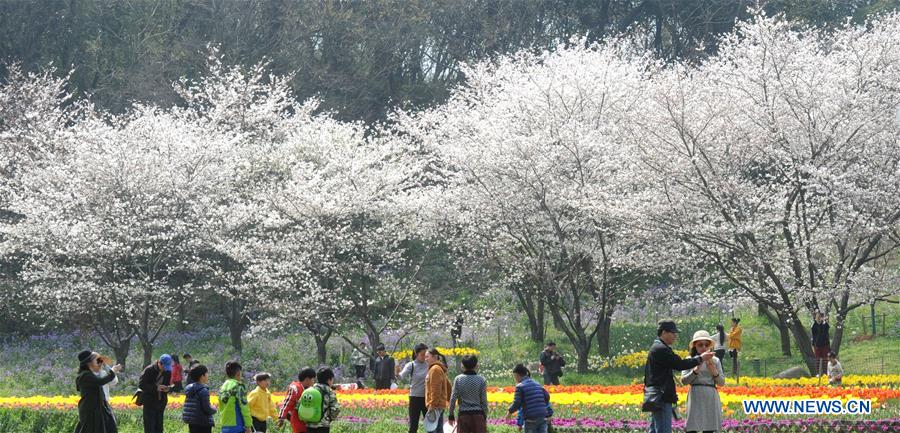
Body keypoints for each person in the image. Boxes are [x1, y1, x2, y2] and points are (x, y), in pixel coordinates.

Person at [643, 321, 715, 433]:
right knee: (663, 430)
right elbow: (680, 364)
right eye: (673, 333)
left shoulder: (658, 347)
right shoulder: (661, 349)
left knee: (655, 429)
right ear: (664, 332)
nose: (675, 336)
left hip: (657, 395)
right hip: (661, 396)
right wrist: (700, 359)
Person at [681, 330, 725, 433]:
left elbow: (722, 383)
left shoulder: (715, 360)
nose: (704, 347)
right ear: (695, 346)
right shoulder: (690, 359)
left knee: (709, 428)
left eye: (707, 344)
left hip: (710, 394)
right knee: (693, 427)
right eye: (700, 344)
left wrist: (714, 371)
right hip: (695, 394)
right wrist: (696, 370)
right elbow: (684, 381)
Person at [74, 350, 122, 433]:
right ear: (89, 363)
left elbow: (112, 381)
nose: (99, 361)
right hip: (91, 408)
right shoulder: (85, 375)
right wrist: (112, 371)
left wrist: (107, 368)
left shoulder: (91, 373)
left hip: (99, 406)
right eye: (96, 359)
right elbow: (100, 382)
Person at [447, 355, 488, 433]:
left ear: (462, 365)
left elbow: (453, 398)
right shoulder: (482, 380)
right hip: (478, 415)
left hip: (464, 415)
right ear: (476, 365)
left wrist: (451, 415)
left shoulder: (458, 379)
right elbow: (484, 400)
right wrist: (484, 415)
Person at [506, 364, 550, 433]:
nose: (515, 379)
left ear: (517, 375)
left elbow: (517, 403)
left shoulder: (520, 386)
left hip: (531, 419)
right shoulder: (537, 384)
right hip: (542, 416)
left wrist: (509, 412)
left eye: (514, 376)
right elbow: (547, 397)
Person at [397, 343, 429, 433]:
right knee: (414, 426)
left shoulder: (429, 365)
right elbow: (400, 377)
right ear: (416, 353)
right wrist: (396, 373)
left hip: (428, 398)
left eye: (426, 354)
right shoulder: (411, 365)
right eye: (422, 354)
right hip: (415, 398)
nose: (424, 357)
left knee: (430, 425)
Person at [138, 354, 172, 433]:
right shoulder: (149, 370)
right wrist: (156, 388)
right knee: (150, 428)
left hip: (161, 402)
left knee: (159, 428)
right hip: (149, 402)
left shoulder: (167, 371)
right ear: (159, 363)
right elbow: (141, 385)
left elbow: (167, 384)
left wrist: (167, 389)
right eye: (164, 367)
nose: (165, 369)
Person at [278, 368, 317, 433]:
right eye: (313, 379)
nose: (314, 382)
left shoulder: (309, 389)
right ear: (307, 379)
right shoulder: (295, 388)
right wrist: (281, 417)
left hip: (307, 421)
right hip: (297, 420)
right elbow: (287, 403)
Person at [182, 364, 217, 433]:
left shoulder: (189, 389)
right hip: (203, 423)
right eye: (207, 373)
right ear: (202, 376)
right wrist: (214, 408)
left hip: (192, 423)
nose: (208, 376)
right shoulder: (203, 390)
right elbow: (207, 409)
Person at [219, 360, 252, 433]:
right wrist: (248, 425)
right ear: (238, 373)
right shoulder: (238, 386)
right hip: (238, 426)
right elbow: (244, 407)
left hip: (225, 425)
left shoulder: (222, 387)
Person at [305, 367, 341, 433]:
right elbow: (336, 409)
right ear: (329, 380)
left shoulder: (310, 390)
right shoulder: (329, 391)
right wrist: (329, 419)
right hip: (323, 426)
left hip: (309, 425)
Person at [424, 348, 451, 433]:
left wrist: (432, 405)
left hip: (435, 405)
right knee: (439, 429)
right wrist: (446, 400)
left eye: (427, 357)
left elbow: (435, 389)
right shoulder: (439, 368)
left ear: (434, 357)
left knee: (431, 430)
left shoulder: (435, 369)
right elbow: (449, 386)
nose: (425, 359)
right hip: (439, 405)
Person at [811, 312, 831, 376]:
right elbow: (814, 336)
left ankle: (826, 372)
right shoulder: (814, 325)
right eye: (817, 317)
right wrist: (813, 345)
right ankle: (818, 373)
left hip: (825, 345)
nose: (818, 318)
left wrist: (823, 322)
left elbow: (826, 330)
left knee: (826, 359)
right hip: (817, 345)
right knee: (817, 359)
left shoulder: (825, 324)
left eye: (819, 317)